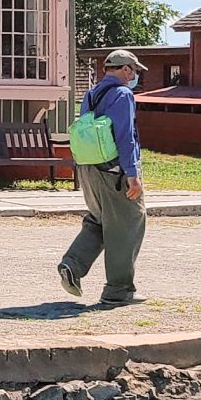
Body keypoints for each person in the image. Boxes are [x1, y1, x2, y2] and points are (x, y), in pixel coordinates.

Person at [58, 49, 146, 306]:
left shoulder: (92, 92)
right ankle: (118, 291)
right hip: (114, 171)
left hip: (89, 166)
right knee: (127, 224)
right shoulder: (123, 94)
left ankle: (72, 265)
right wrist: (133, 174)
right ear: (127, 69)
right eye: (135, 70)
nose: (135, 75)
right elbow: (125, 136)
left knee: (99, 219)